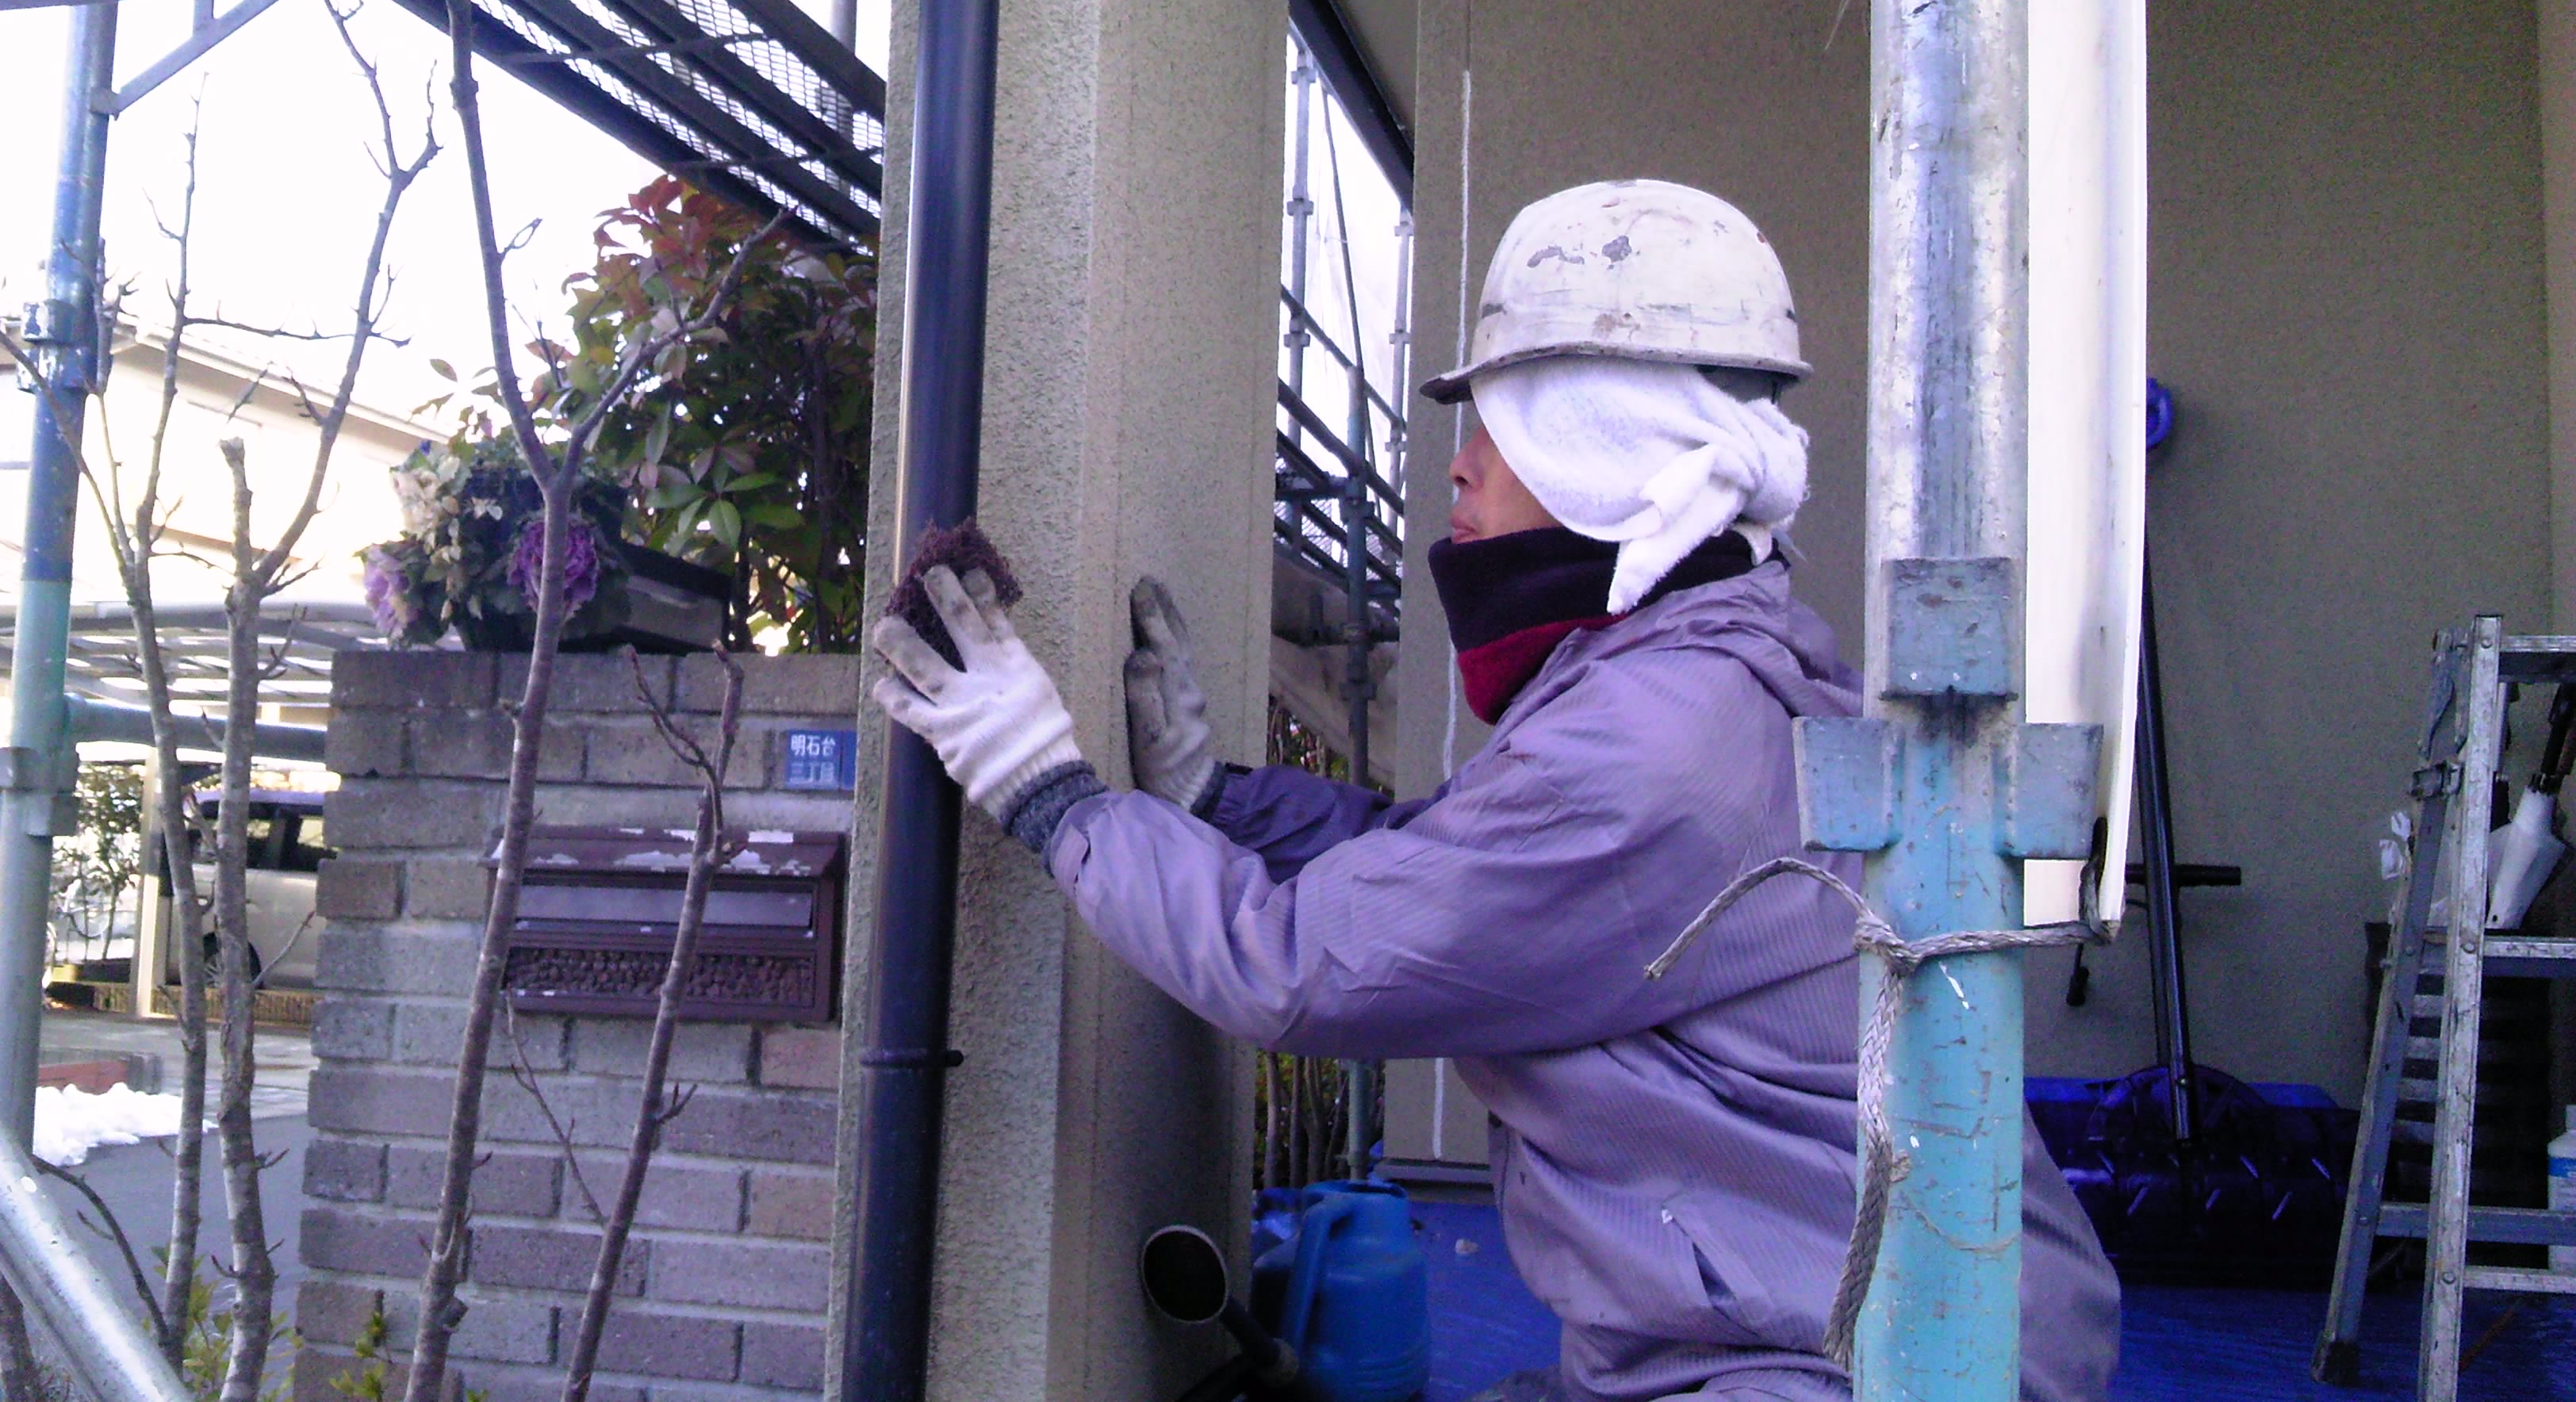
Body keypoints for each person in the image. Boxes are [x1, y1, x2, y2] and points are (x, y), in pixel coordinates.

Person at [869, 179, 2122, 1402]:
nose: (1458, 473)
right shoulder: (1690, 676)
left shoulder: (1653, 747)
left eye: (1503, 430)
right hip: (1852, 1314)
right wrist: (1218, 800)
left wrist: (1054, 793)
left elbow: (1300, 965)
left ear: (1608, 457)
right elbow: (1461, 864)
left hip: (1845, 1360)